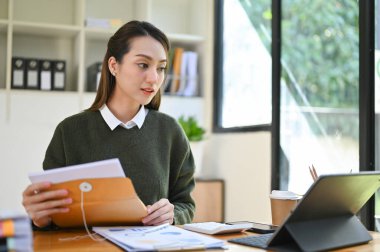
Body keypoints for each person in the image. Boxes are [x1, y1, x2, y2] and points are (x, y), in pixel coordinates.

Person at [22, 20, 196, 228]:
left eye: (161, 68)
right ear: (114, 66)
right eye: (143, 65)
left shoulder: (169, 132)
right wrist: (40, 218)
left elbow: (185, 203)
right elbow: (51, 215)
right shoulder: (69, 132)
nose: (154, 78)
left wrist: (172, 214)